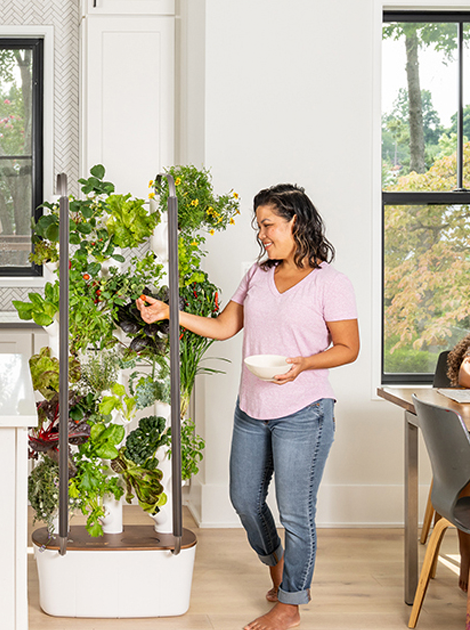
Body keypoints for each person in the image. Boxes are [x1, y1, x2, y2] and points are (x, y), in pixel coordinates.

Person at [136, 183, 359, 630]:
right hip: (252, 406)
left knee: (297, 512)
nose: (262, 233)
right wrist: (169, 314)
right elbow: (223, 327)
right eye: (259, 225)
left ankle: (290, 604)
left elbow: (348, 348)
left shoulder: (331, 283)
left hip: (305, 409)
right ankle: (278, 567)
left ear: (296, 221)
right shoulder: (256, 274)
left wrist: (304, 364)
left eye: (268, 224)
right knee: (243, 498)